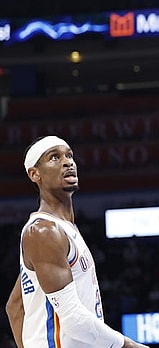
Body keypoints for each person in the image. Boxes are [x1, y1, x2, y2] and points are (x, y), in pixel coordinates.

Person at [4, 136, 148, 347]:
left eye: (69, 155)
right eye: (54, 157)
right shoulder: (44, 231)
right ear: (35, 174)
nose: (67, 162)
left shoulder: (63, 229)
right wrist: (129, 345)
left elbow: (15, 306)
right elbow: (72, 319)